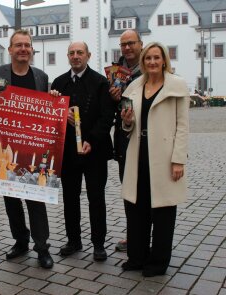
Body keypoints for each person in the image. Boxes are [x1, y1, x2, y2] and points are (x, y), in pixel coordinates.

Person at [0, 29, 53, 269]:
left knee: (37, 199)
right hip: (6, 146)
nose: (23, 49)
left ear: (32, 50)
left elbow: (47, 112)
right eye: (18, 45)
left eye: (27, 45)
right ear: (10, 50)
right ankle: (20, 240)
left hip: (34, 147)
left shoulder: (42, 77)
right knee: (11, 198)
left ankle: (42, 247)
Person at [121, 42, 189, 277]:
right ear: (143, 61)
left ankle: (158, 262)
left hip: (164, 155)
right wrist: (127, 121)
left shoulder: (177, 86)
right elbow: (127, 127)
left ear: (164, 61)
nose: (152, 62)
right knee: (136, 208)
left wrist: (178, 159)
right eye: (148, 58)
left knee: (162, 211)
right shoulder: (133, 87)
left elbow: (182, 126)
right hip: (138, 152)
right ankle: (136, 257)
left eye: (156, 58)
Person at [50, 42, 114, 261]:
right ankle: (74, 240)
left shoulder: (100, 82)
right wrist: (55, 106)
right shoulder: (59, 82)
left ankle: (99, 244)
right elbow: (51, 117)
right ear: (67, 56)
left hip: (94, 151)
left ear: (88, 55)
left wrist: (91, 140)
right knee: (70, 198)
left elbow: (107, 117)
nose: (76, 56)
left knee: (96, 198)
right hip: (68, 153)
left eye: (80, 53)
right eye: (72, 53)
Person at [109, 30, 143, 253]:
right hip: (123, 138)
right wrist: (112, 98)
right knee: (128, 188)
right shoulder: (116, 72)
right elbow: (111, 109)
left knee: (145, 190)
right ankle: (133, 235)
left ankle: (144, 236)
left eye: (131, 43)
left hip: (145, 137)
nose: (127, 48)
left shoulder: (149, 69)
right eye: (123, 44)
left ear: (140, 44)